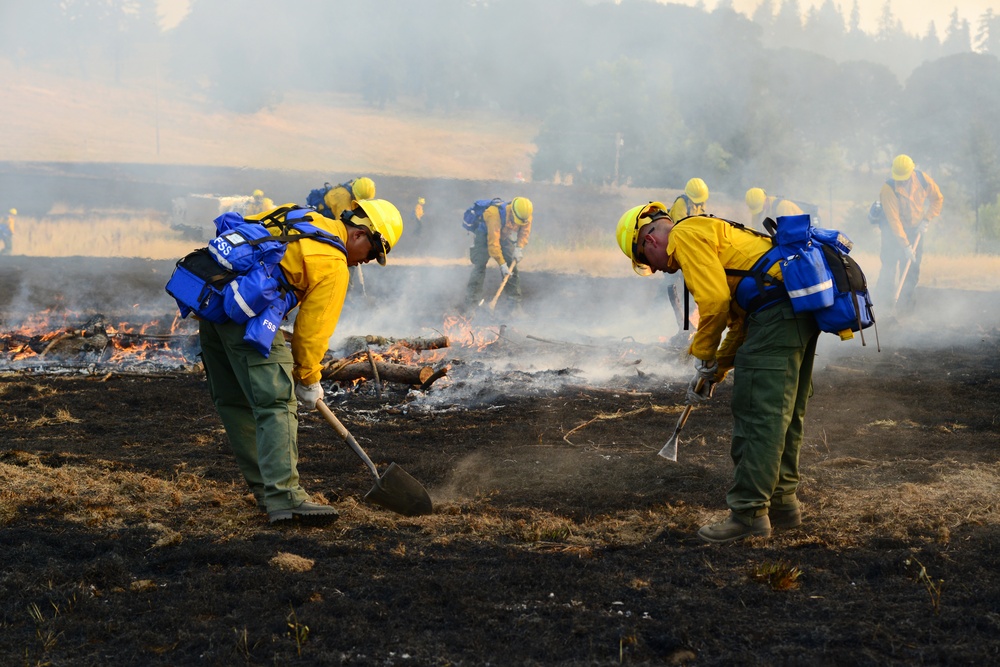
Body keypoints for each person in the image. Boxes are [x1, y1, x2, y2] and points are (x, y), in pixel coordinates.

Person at [615, 201, 820, 544]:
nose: (656, 270)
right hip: (793, 312)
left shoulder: (684, 236)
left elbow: (714, 304)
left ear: (648, 242)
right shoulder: (706, 232)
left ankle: (749, 514)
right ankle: (783, 505)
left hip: (776, 315)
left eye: (645, 263)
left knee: (759, 414)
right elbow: (740, 318)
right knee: (784, 413)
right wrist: (717, 370)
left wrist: (703, 354)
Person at [198, 198, 403, 524]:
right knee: (277, 402)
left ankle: (267, 493)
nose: (364, 262)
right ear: (361, 235)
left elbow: (241, 233)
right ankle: (285, 499)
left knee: (235, 400)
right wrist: (309, 379)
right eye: (371, 254)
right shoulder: (334, 264)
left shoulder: (300, 216)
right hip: (245, 317)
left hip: (212, 304)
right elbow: (310, 335)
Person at [875, 154, 944, 313]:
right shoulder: (888, 189)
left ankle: (905, 309)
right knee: (889, 267)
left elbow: (937, 199)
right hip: (892, 232)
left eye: (904, 178)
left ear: (912, 172)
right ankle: (883, 306)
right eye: (899, 178)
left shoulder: (923, 180)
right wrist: (905, 245)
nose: (902, 181)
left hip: (915, 229)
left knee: (912, 269)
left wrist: (926, 219)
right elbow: (894, 222)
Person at [463, 197, 533, 314]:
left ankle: (514, 305)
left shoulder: (525, 214)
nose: (517, 224)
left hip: (504, 235)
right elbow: (493, 245)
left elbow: (524, 231)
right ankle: (471, 305)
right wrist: (502, 264)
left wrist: (519, 247)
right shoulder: (493, 214)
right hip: (485, 235)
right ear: (512, 212)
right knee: (479, 267)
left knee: (512, 267)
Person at [662, 179, 709, 346]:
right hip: (675, 250)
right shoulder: (681, 204)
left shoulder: (699, 205)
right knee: (672, 286)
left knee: (693, 286)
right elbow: (679, 231)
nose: (699, 203)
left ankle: (692, 324)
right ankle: (683, 325)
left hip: (692, 251)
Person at [744, 188, 809, 231]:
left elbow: (789, 232)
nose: (760, 211)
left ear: (766, 199)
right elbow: (755, 229)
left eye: (761, 207)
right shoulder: (757, 210)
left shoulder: (783, 207)